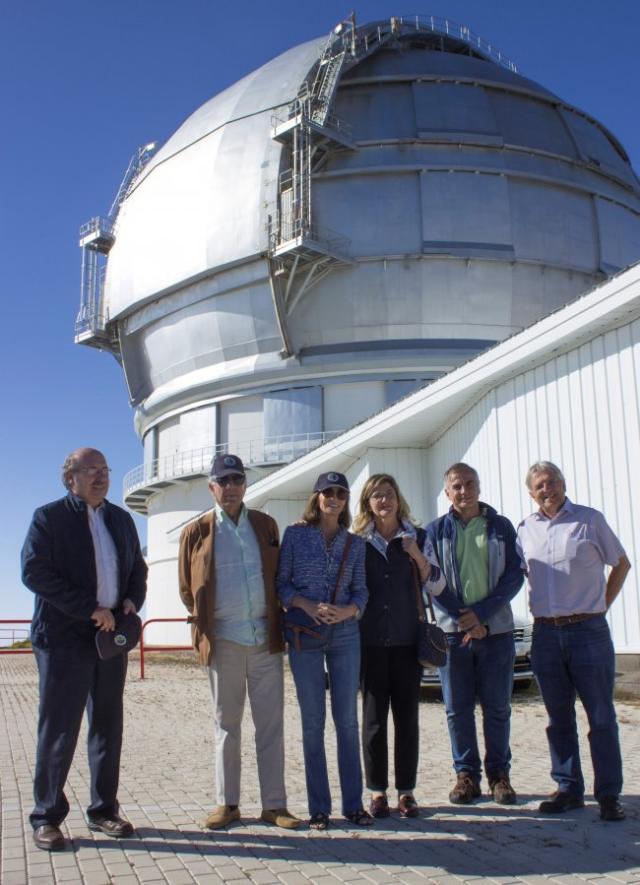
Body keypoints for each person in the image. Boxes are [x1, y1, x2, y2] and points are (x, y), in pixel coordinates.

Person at [21, 448, 147, 852]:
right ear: (69, 477)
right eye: (89, 471)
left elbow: (137, 570)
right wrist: (88, 609)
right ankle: (46, 816)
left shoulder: (122, 519)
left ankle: (104, 810)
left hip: (110, 638)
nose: (99, 477)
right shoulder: (49, 518)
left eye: (104, 470)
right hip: (62, 639)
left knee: (108, 725)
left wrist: (130, 601)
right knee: (59, 729)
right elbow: (34, 571)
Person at [178, 453, 299, 830]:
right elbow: (186, 588)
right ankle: (226, 804)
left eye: (236, 480)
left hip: (265, 639)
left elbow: (280, 575)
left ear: (245, 484)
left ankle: (274, 805)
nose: (230, 487)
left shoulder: (265, 525)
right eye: (222, 481)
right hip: (224, 642)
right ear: (211, 487)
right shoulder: (195, 531)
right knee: (226, 726)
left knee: (271, 726)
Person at [516, 461, 631, 822]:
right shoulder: (524, 529)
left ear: (563, 484)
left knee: (600, 716)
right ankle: (568, 787)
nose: (546, 489)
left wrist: (601, 605)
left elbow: (622, 564)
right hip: (546, 634)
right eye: (539, 486)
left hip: (588, 633)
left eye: (552, 482)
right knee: (557, 716)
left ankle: (609, 795)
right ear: (531, 493)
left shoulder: (589, 520)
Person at [353, 473, 459, 819]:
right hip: (369, 642)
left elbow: (438, 585)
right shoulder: (358, 541)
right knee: (373, 721)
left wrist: (416, 555)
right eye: (376, 496)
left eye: (389, 494)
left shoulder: (418, 536)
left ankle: (406, 792)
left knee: (407, 719)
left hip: (406, 641)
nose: (383, 501)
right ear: (367, 503)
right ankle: (377, 792)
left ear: (398, 499)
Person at [276, 471, 371, 829]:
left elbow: (361, 591)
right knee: (313, 722)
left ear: (346, 501)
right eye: (327, 492)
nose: (333, 498)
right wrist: (305, 604)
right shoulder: (295, 536)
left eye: (340, 494)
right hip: (306, 635)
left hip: (346, 635)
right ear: (316, 497)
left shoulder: (356, 543)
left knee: (347, 721)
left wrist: (347, 611)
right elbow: (281, 585)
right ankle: (319, 807)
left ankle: (353, 804)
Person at [425, 462, 523, 805]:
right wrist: (465, 619)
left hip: (495, 632)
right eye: (456, 486)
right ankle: (466, 776)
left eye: (469, 483)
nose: (463, 491)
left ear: (479, 487)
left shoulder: (501, 526)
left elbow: (515, 576)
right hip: (453, 635)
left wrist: (481, 614)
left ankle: (499, 776)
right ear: (447, 492)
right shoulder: (435, 531)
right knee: (457, 709)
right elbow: (432, 581)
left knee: (497, 707)